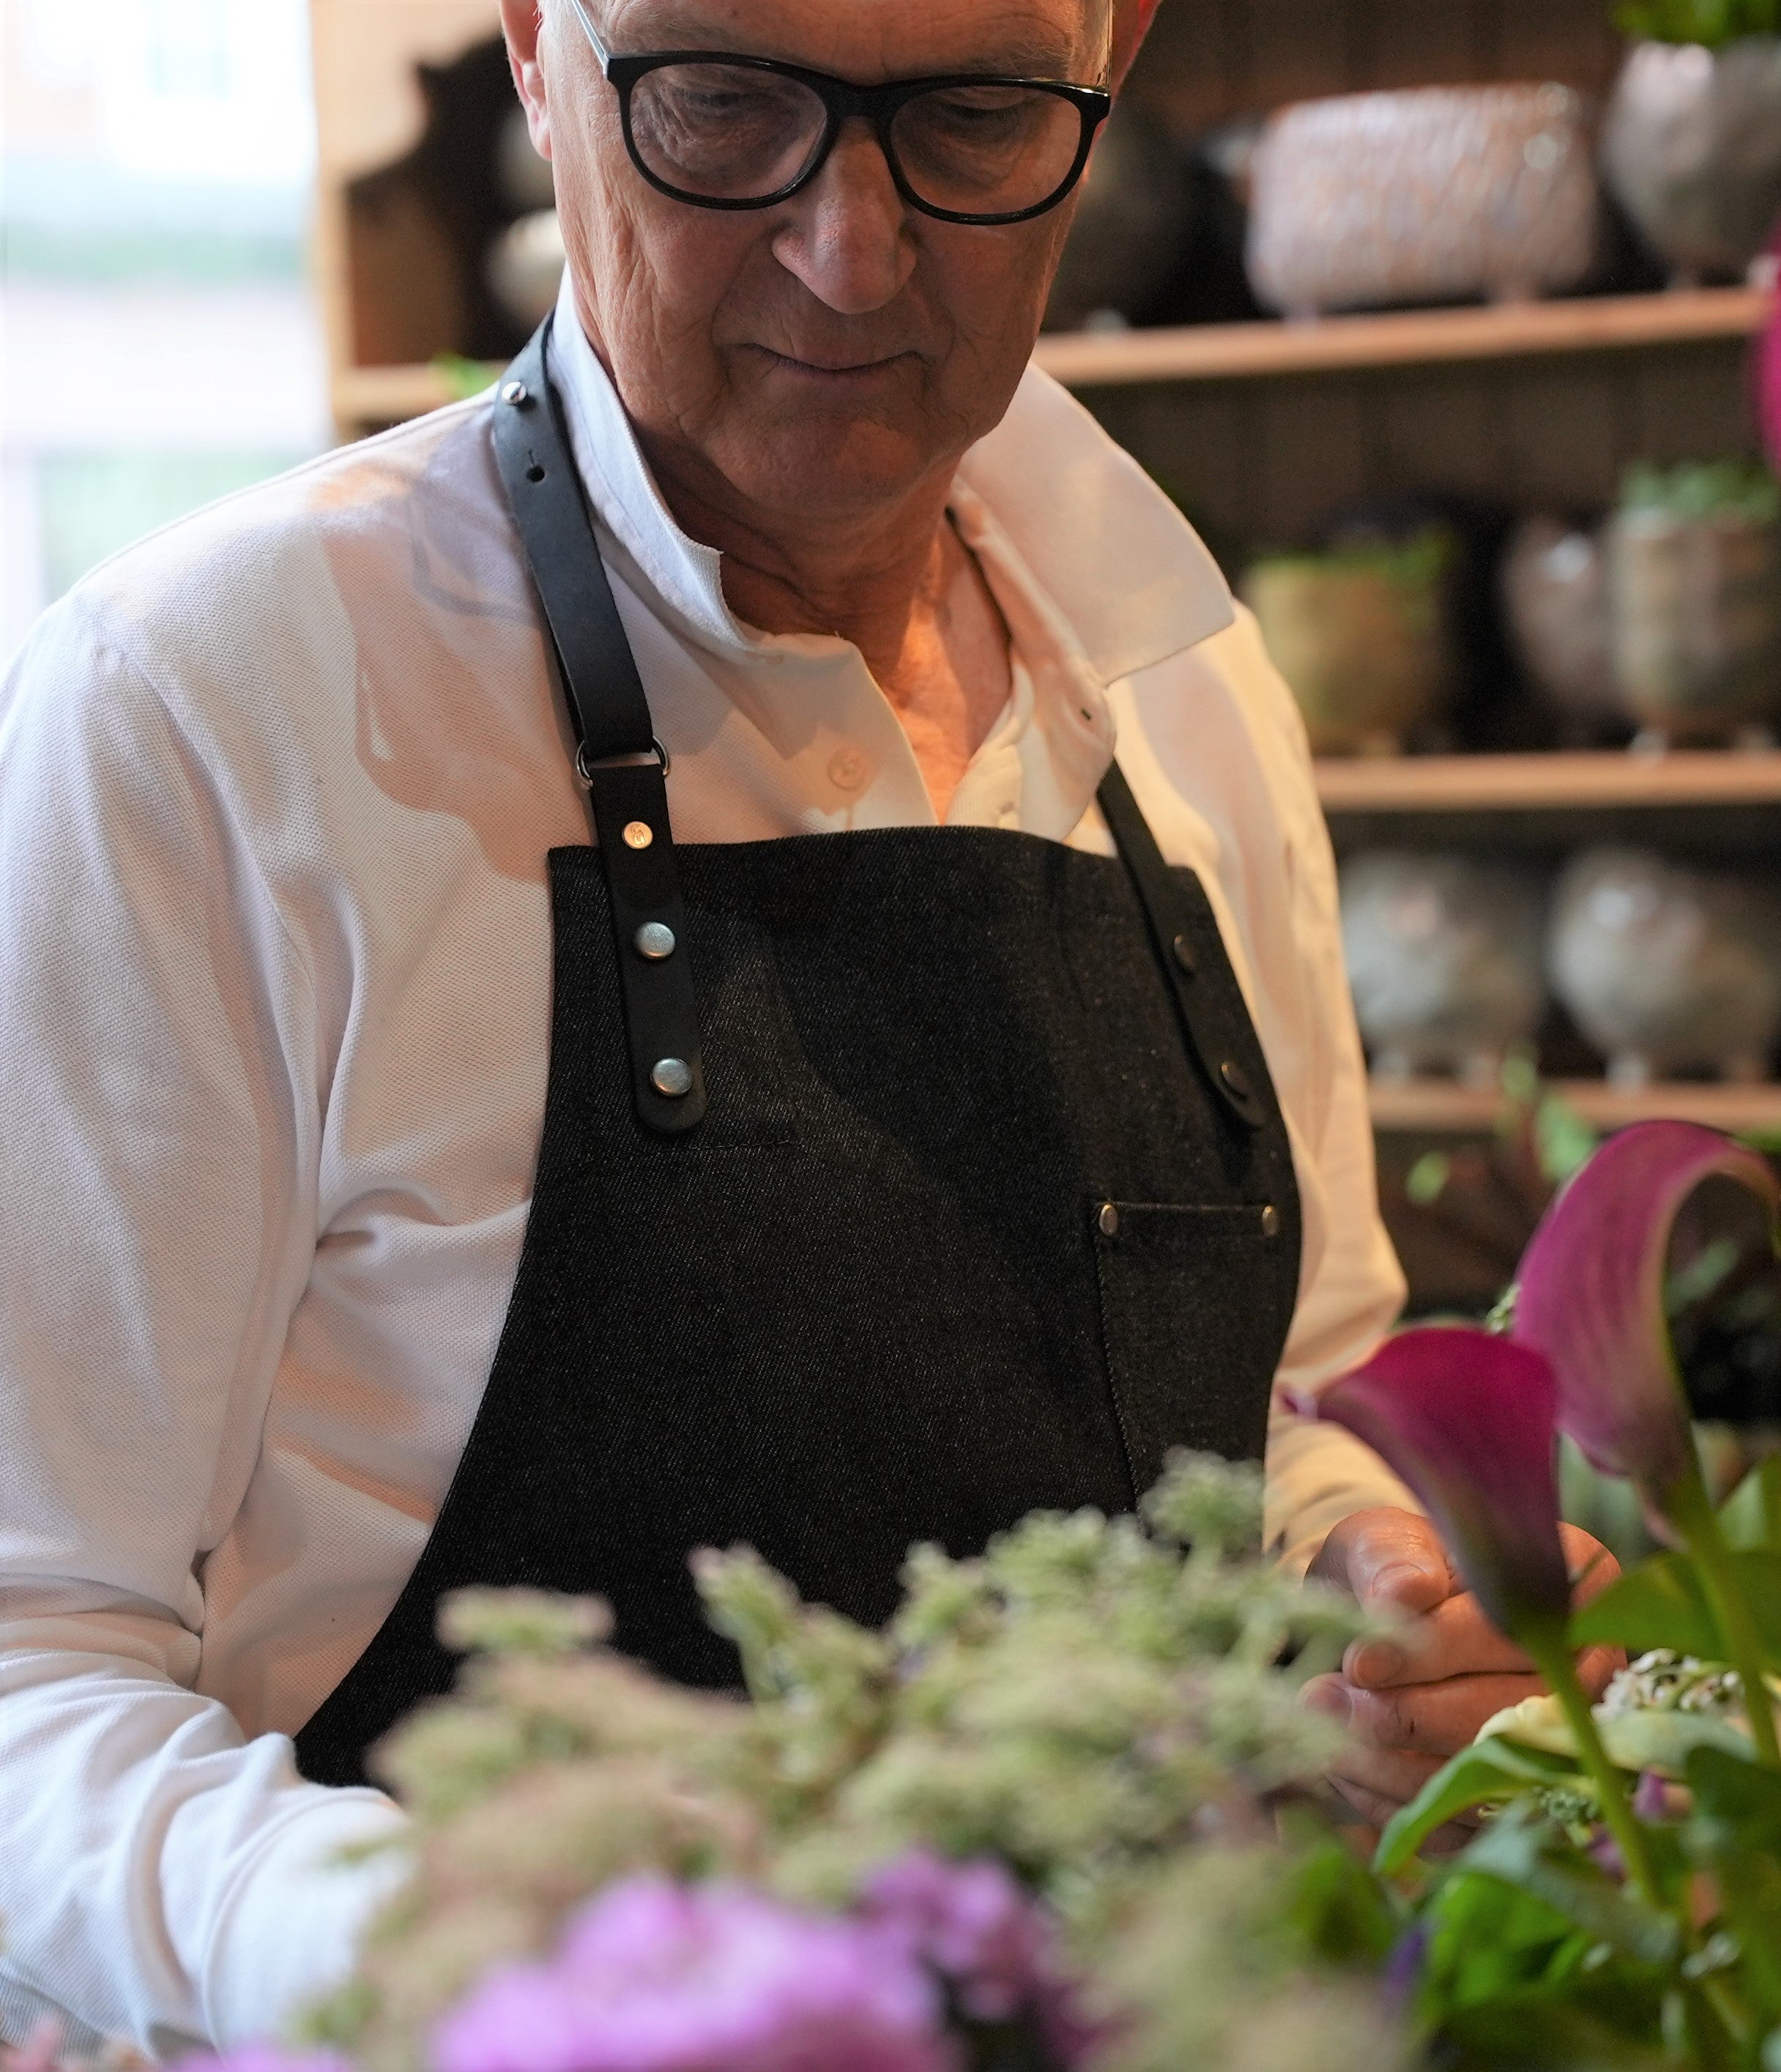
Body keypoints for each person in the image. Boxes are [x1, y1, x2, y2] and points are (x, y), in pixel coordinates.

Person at [0, 0, 1615, 2050]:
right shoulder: (204, 717)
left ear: (1109, 48)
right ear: (534, 47)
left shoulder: (1187, 696)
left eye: (970, 115)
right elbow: (28, 1661)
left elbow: (1300, 1403)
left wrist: (1382, 1594)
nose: (851, 249)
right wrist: (465, 1961)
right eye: (722, 103)